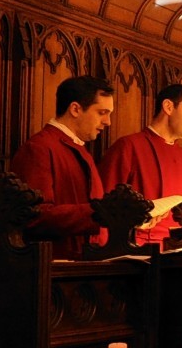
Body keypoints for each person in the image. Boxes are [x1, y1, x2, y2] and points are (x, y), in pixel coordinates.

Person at [9, 75, 114, 258]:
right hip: (57, 266)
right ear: (75, 109)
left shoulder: (78, 148)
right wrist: (101, 212)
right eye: (102, 112)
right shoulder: (39, 148)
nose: (108, 122)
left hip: (88, 263)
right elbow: (34, 215)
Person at [99, 83, 182, 245]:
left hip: (179, 248)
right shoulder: (129, 146)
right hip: (139, 248)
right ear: (168, 107)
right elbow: (105, 205)